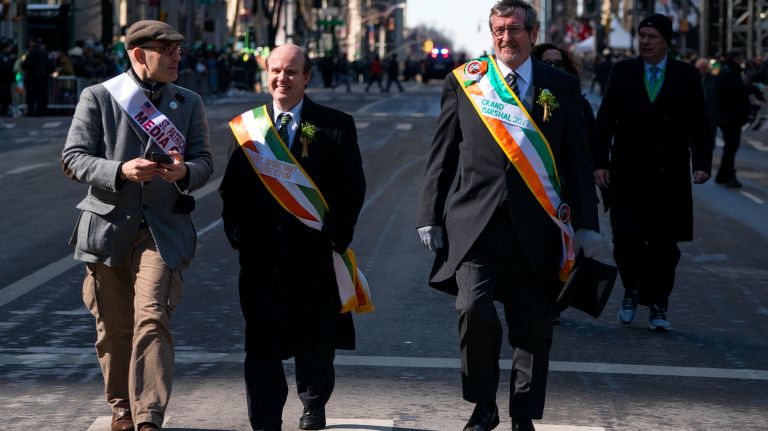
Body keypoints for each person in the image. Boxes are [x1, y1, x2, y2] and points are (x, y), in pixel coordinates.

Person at [416, 2, 599, 430]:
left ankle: (522, 414)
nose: (505, 38)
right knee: (473, 311)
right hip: (475, 225)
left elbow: (577, 160)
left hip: (538, 228)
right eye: (498, 30)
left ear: (534, 34)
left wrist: (587, 224)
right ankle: (483, 406)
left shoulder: (561, 86)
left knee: (533, 328)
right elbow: (442, 154)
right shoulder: (466, 82)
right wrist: (430, 214)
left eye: (514, 30)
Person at [61, 20, 213, 431]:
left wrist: (184, 173)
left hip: (162, 231)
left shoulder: (189, 102)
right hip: (108, 227)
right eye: (168, 49)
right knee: (113, 328)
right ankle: (121, 407)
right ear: (138, 53)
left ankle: (148, 414)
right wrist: (120, 169)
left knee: (152, 317)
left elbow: (205, 163)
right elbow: (73, 157)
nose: (177, 56)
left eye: (179, 49)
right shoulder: (98, 97)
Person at [219, 43, 367, 431]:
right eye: (275, 71)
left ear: (306, 77)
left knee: (316, 338)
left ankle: (313, 403)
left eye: (290, 72)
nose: (281, 79)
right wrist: (238, 235)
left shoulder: (335, 124)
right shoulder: (249, 127)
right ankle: (265, 418)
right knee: (261, 341)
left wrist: (336, 237)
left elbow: (352, 189)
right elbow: (231, 190)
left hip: (315, 254)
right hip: (261, 256)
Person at [593, 14, 712, 332]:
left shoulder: (687, 76)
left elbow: (700, 124)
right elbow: (605, 121)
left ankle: (659, 303)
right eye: (642, 35)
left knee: (664, 245)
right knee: (625, 239)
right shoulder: (623, 72)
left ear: (666, 42)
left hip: (668, 174)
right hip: (627, 172)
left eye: (652, 37)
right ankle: (631, 289)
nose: (645, 41)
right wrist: (600, 163)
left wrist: (701, 163)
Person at [531, 43, 598, 325]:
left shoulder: (575, 101)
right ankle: (539, 301)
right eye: (547, 62)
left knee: (564, 250)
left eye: (558, 63)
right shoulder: (523, 97)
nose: (553, 67)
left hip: (565, 188)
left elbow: (588, 147)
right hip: (535, 186)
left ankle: (556, 302)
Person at [713, 50, 751, 188]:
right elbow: (737, 93)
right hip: (731, 117)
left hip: (729, 116)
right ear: (735, 59)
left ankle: (724, 175)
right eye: (740, 58)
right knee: (731, 147)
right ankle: (727, 175)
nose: (742, 60)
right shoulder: (729, 74)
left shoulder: (727, 72)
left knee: (730, 147)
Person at [21, 37, 53, 116]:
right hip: (42, 78)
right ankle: (41, 112)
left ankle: (31, 111)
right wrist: (47, 73)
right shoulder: (45, 53)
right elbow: (51, 66)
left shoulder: (30, 53)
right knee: (41, 95)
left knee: (31, 96)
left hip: (31, 78)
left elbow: (24, 65)